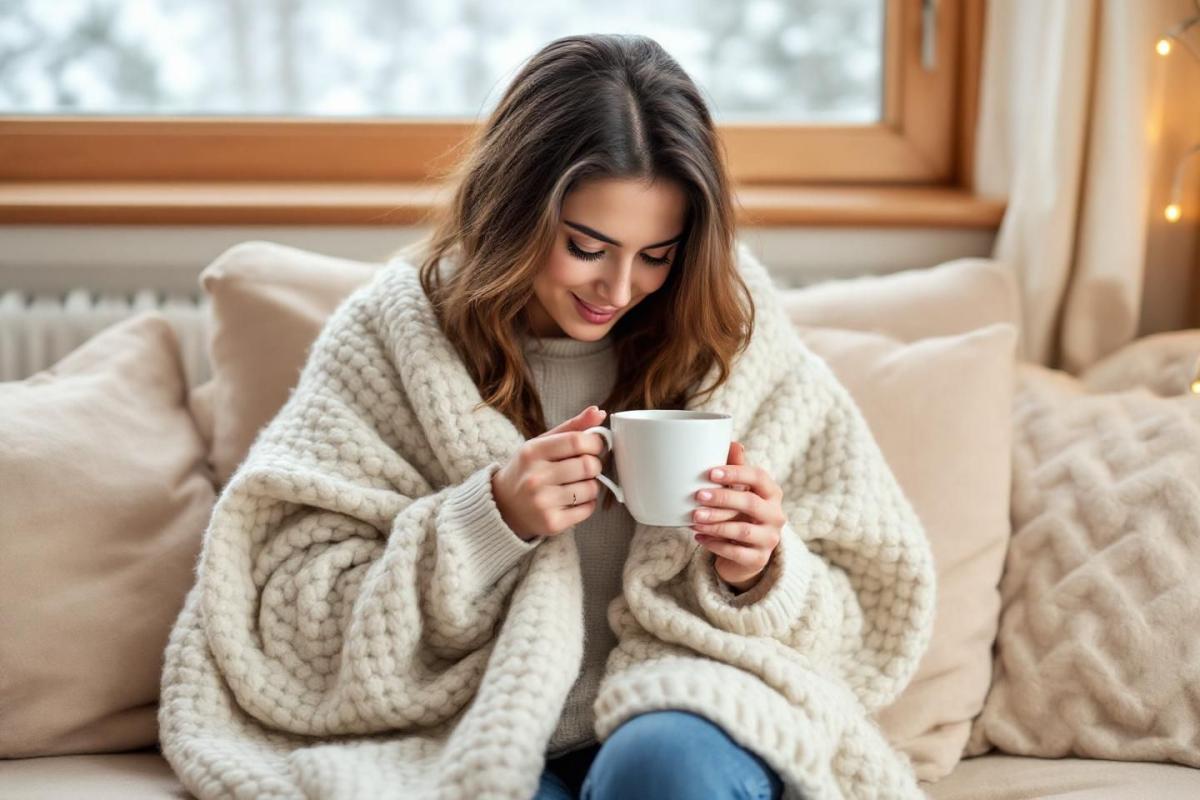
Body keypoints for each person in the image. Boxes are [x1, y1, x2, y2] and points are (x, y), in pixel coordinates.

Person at [158, 32, 936, 800]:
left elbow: (870, 592)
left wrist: (761, 568)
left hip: (688, 704)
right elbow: (288, 611)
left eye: (657, 254)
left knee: (664, 769)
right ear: (516, 209)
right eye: (587, 246)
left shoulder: (737, 342)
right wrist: (485, 519)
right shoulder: (394, 343)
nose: (621, 287)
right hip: (470, 720)